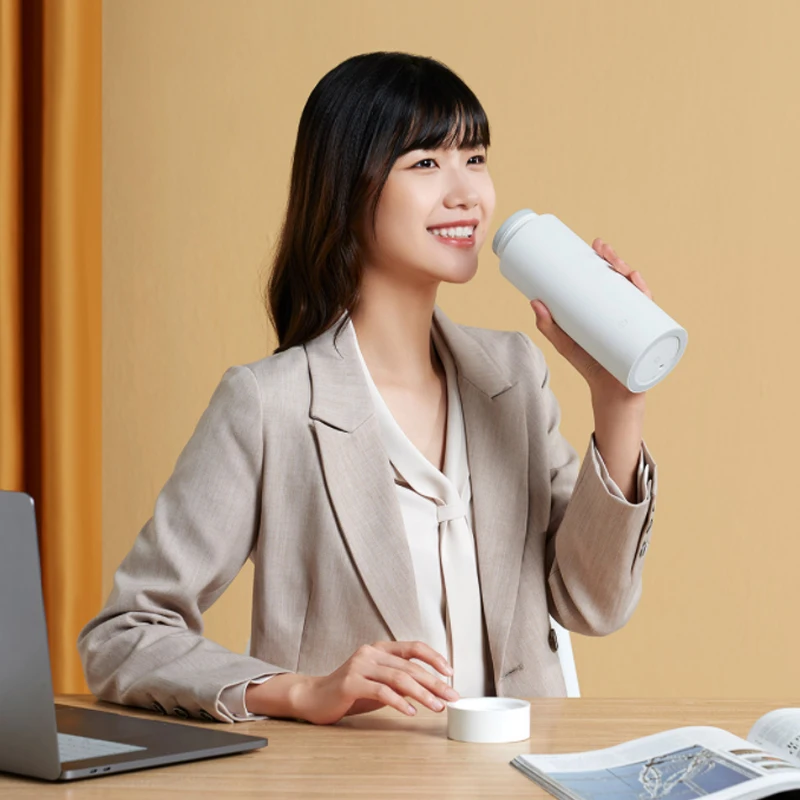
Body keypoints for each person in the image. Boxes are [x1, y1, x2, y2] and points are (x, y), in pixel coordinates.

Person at [78, 51, 658, 726]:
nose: (467, 193)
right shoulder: (270, 405)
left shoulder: (515, 376)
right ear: (348, 188)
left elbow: (594, 604)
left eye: (475, 158)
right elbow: (124, 634)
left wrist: (619, 403)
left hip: (519, 770)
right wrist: (297, 691)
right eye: (425, 163)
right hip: (351, 775)